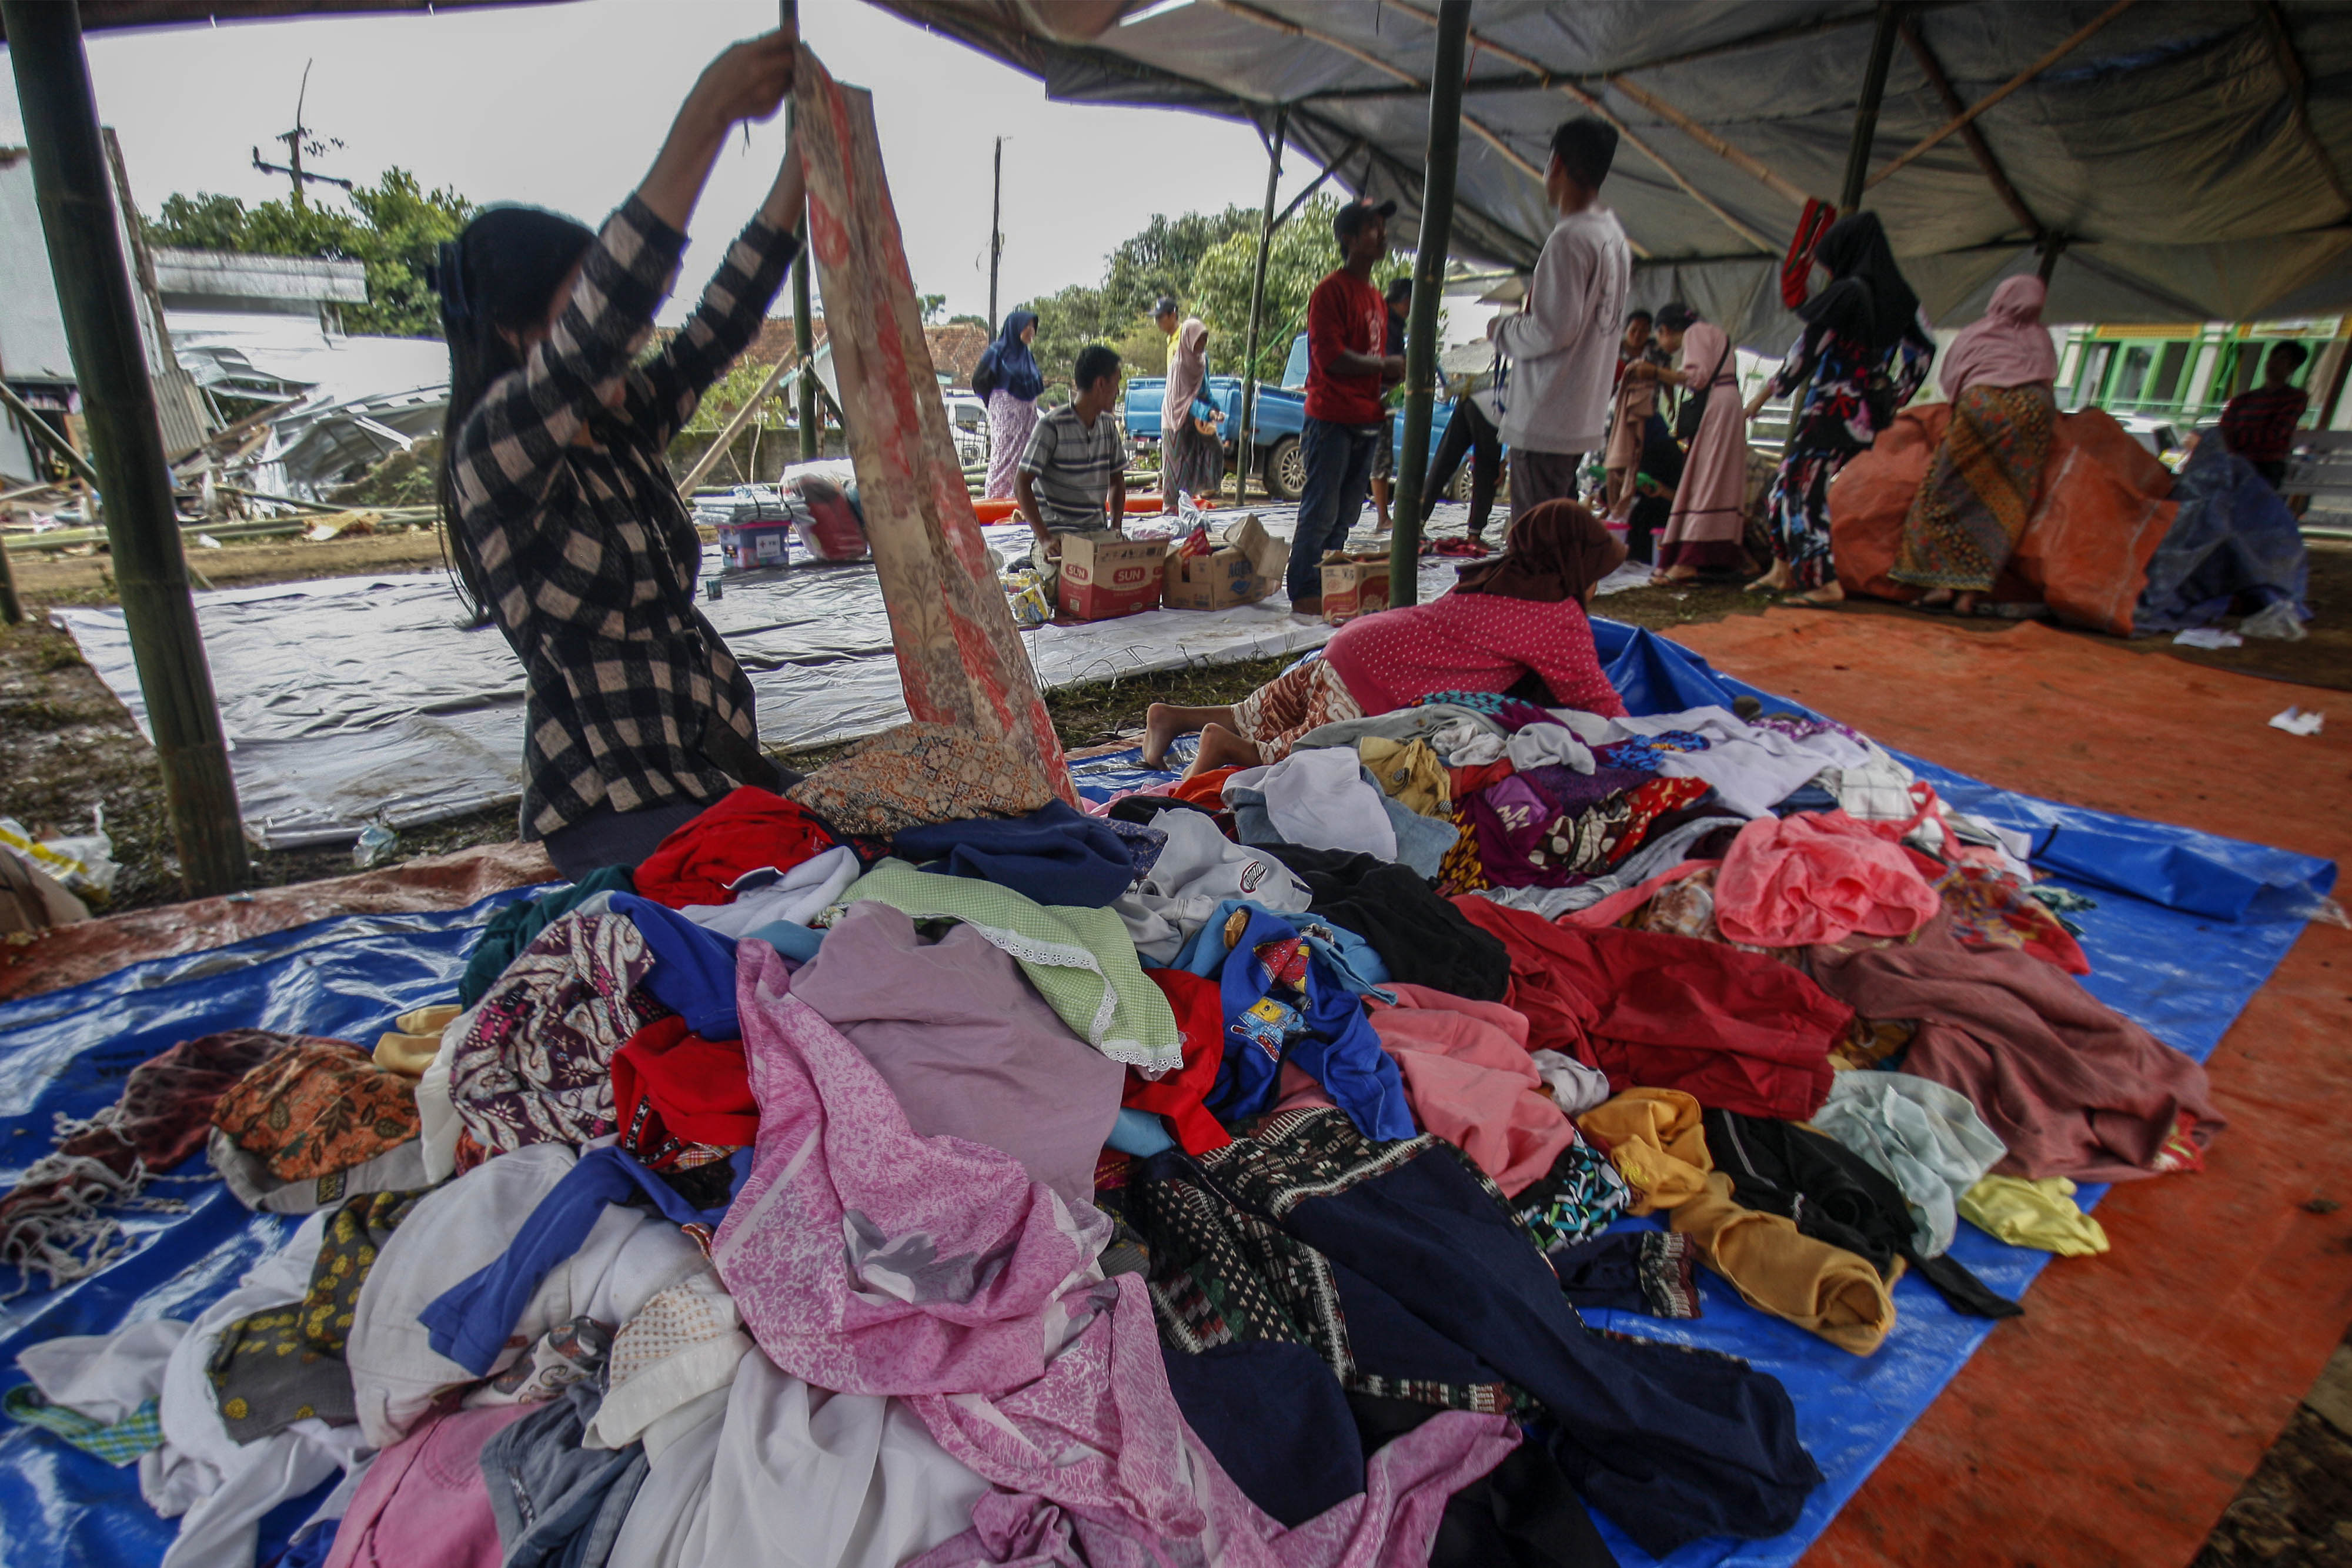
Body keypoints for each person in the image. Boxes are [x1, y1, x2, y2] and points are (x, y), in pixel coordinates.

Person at [437, 31, 806, 881]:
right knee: (804, 923)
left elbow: (718, 327)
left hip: (704, 767)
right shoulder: (494, 453)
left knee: (887, 853)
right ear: (519, 330)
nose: (634, 340)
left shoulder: (618, 425)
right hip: (611, 807)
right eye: (592, 316)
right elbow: (602, 324)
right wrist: (707, 117)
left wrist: (799, 178)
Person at [1142, 500, 1629, 772]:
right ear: (1572, 565)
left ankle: (1172, 716)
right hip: (1375, 682)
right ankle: (1229, 751)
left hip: (1352, 644)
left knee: (1260, 713)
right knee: (1313, 749)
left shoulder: (1500, 576)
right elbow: (1598, 703)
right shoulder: (1557, 615)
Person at [1743, 211, 1935, 605]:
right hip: (1864, 417)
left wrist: (1765, 396)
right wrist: (1895, 395)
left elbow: (1807, 349)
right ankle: (1782, 568)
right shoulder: (1904, 298)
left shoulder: (1848, 292)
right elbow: (1924, 351)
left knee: (1802, 489)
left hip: (1830, 411)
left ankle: (1822, 583)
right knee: (1785, 486)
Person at [1890, 276, 2060, 614]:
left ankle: (1940, 585)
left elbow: (1953, 379)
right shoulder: (2040, 337)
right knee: (2003, 503)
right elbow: (2047, 378)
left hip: (1984, 406)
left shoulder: (1980, 333)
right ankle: (1968, 596)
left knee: (1943, 492)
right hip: (2034, 413)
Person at [1489, 118, 1632, 518]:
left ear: (1556, 165)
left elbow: (1553, 330)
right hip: (1575, 416)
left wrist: (1500, 330)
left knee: (1536, 545)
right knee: (1555, 539)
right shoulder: (1613, 236)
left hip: (1546, 417)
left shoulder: (1569, 239)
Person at [1290, 199, 1406, 616]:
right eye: (1374, 228)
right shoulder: (1330, 291)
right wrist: (1384, 365)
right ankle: (1304, 591)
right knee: (1322, 510)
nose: (1383, 235)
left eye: (1382, 228)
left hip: (1364, 417)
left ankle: (1328, 583)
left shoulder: (1375, 296)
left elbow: (1368, 360)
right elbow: (1330, 357)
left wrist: (1393, 373)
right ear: (1349, 239)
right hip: (1331, 418)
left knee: (1346, 514)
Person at [1016, 343, 1128, 590]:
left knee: (1134, 577)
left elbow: (1117, 481)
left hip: (1097, 535)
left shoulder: (1108, 426)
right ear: (1101, 384)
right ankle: (1036, 558)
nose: (1118, 392)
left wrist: (1116, 530)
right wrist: (1045, 538)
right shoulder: (1051, 426)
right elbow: (1021, 483)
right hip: (1060, 537)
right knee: (1072, 587)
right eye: (1116, 383)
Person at [1652, 315, 1750, 582]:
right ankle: (1722, 555)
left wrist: (1656, 373)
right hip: (1730, 403)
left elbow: (1697, 378)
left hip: (1717, 407)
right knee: (1720, 482)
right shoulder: (1714, 331)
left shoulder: (1694, 333)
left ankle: (1689, 559)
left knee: (1705, 481)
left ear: (1665, 330)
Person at [1419, 363, 1506, 544]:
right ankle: (1474, 534)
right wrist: (1506, 462)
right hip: (1492, 407)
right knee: (1487, 471)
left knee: (1445, 460)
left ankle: (1416, 523)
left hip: (1472, 394)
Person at [2219, 341, 2311, 489]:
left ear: (2293, 367)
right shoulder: (2242, 400)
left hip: (2265, 466)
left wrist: (2237, 438)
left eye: (2282, 359)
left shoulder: (2295, 398)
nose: (2273, 364)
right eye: (2272, 358)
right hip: (2234, 462)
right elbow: (2223, 431)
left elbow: (2276, 432)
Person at [973, 309, 1044, 501]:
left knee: (1026, 457)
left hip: (1027, 418)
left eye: (1033, 326)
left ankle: (1021, 500)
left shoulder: (1028, 357)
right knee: (1005, 456)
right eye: (1026, 326)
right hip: (1006, 416)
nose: (1031, 331)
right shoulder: (998, 351)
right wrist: (996, 402)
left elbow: (1034, 387)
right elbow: (979, 381)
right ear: (1014, 328)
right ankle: (996, 499)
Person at [1157, 315, 1224, 513]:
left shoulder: (1203, 361)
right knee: (1176, 469)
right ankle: (1170, 512)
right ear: (1188, 340)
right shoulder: (1179, 366)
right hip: (1176, 419)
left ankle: (1201, 494)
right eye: (1199, 339)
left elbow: (1205, 390)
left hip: (1193, 418)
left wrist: (1215, 408)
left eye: (1205, 339)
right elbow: (1183, 399)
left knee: (1213, 451)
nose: (1202, 344)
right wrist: (1207, 412)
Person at [1601, 309, 1659, 511]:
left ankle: (1626, 500)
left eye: (1644, 331)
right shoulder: (1612, 350)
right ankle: (1605, 499)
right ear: (1626, 330)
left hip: (1644, 412)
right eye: (1634, 330)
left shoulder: (1654, 353)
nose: (1638, 335)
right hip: (1612, 413)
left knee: (1636, 455)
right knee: (1610, 455)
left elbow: (1666, 381)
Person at [1370, 275, 1412, 531]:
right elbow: (1387, 363)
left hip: (1379, 396)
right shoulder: (1388, 324)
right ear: (1406, 301)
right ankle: (1383, 517)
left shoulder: (1385, 319)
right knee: (1381, 458)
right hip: (1379, 397)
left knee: (1380, 457)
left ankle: (1383, 516)